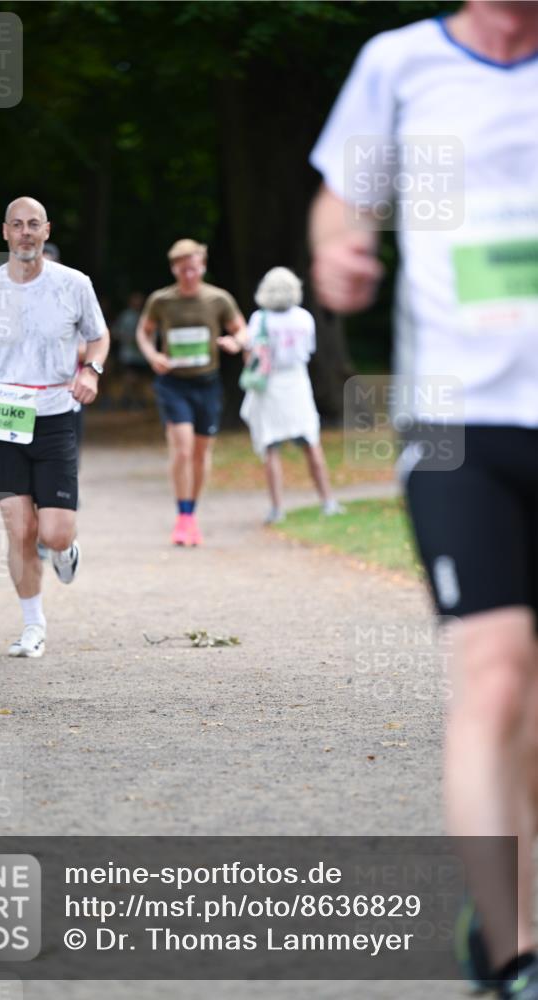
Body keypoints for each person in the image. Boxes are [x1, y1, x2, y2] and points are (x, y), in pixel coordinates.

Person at [309, 3, 538, 997]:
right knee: (493, 672)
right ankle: (511, 951)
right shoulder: (397, 64)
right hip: (458, 421)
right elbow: (340, 200)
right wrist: (339, 249)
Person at [0, 196, 110, 658]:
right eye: (17, 225)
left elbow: (98, 334)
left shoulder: (74, 284)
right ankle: (33, 626)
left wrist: (91, 371)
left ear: (47, 230)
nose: (26, 232)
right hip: (3, 417)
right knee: (17, 529)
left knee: (52, 532)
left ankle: (63, 550)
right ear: (5, 233)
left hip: (56, 414)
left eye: (34, 224)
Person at [137, 239, 247, 546]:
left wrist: (235, 342)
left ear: (203, 267)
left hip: (207, 383)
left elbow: (242, 328)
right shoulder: (161, 300)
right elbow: (143, 333)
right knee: (182, 448)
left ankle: (191, 514)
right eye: (183, 270)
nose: (189, 275)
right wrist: (152, 355)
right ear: (174, 268)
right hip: (173, 383)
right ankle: (182, 515)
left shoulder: (218, 299)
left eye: (194, 269)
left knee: (200, 452)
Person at [240, 267, 344, 524]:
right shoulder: (304, 318)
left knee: (270, 447)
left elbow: (251, 354)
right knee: (311, 442)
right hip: (297, 382)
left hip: (270, 385)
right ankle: (328, 500)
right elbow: (308, 350)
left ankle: (277, 508)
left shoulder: (259, 319)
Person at [112, 292, 150, 409]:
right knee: (130, 378)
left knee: (140, 380)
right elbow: (115, 332)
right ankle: (129, 399)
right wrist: (127, 338)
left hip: (142, 355)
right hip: (128, 355)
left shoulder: (145, 316)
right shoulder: (125, 316)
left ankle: (137, 400)